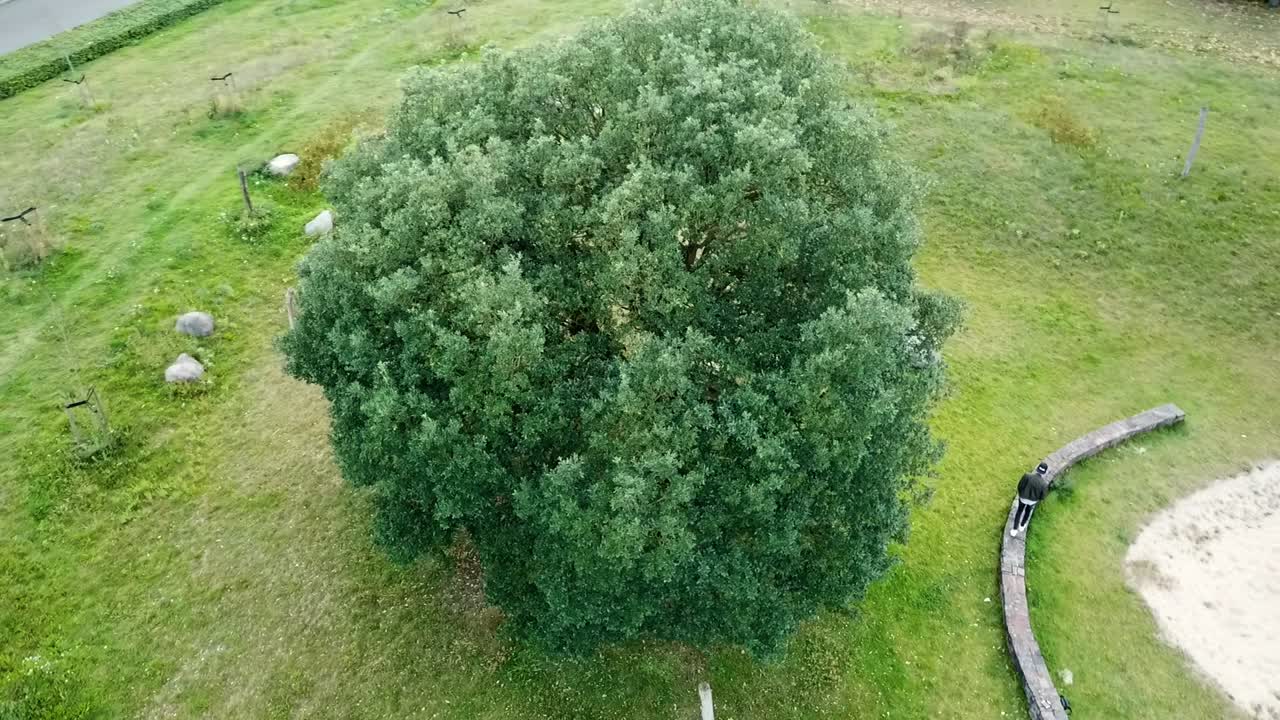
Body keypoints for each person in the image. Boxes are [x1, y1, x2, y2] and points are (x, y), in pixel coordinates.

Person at [1011, 462, 1050, 538]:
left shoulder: (1027, 476)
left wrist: (1021, 494)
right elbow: (1042, 497)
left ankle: (1014, 529)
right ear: (1045, 472)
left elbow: (1020, 486)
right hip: (1032, 501)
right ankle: (1022, 525)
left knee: (1019, 511)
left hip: (1023, 498)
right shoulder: (1044, 484)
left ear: (1037, 468)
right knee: (1027, 512)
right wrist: (1036, 499)